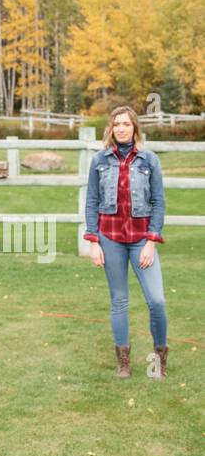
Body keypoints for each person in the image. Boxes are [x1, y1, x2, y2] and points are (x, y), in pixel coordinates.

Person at [83, 105, 169, 378]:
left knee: (156, 300)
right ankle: (124, 362)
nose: (121, 128)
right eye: (117, 124)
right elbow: (92, 202)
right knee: (119, 301)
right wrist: (94, 241)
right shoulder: (99, 160)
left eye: (126, 124)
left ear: (135, 128)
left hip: (141, 239)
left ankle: (159, 359)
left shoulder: (149, 160)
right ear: (111, 128)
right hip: (110, 239)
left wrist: (151, 241)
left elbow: (158, 202)